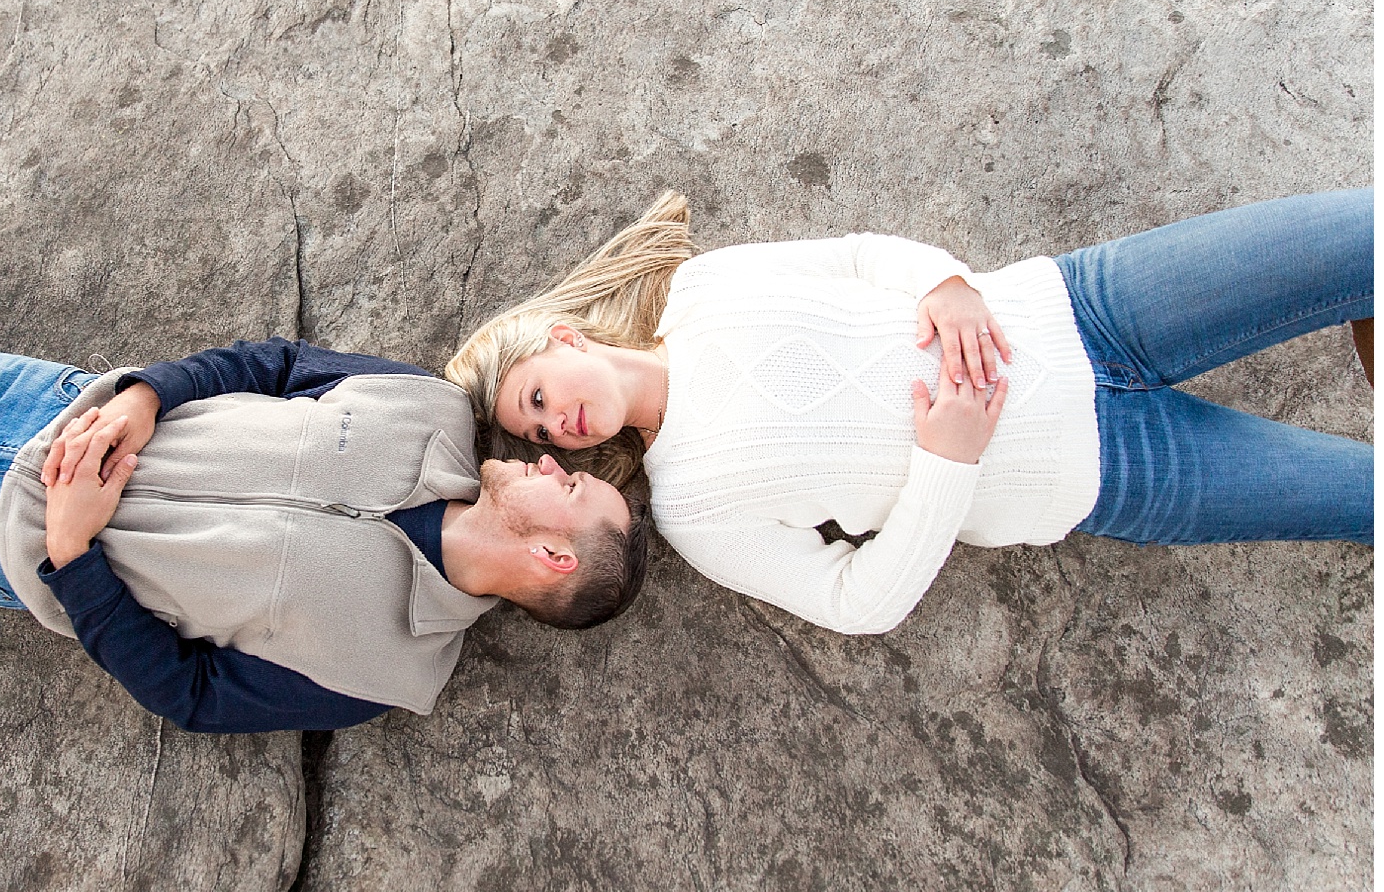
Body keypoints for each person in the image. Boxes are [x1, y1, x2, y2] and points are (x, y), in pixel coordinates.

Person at [446, 189, 1373, 636]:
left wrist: (947, 281)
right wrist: (948, 461)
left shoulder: (704, 287)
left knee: (1360, 237)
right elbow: (858, 602)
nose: (555, 426)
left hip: (1079, 306)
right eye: (537, 436)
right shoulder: (690, 508)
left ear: (563, 336)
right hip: (1109, 471)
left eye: (536, 397)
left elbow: (854, 256)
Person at [0, 339, 649, 733]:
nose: (554, 460)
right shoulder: (424, 405)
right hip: (29, 398)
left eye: (573, 490)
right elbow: (270, 362)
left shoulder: (387, 669)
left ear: (554, 560)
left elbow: (190, 694)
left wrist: (73, 550)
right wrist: (147, 395)